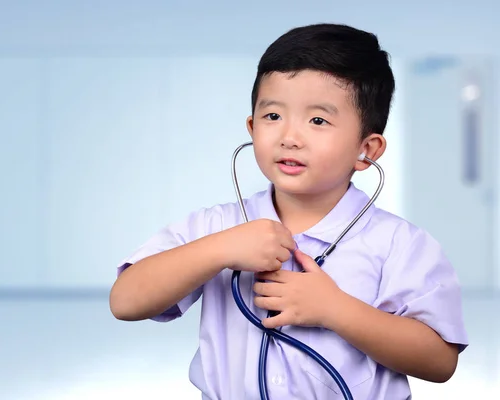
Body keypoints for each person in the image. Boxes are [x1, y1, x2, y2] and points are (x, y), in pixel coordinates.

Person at [109, 23, 469, 399]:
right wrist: (218, 251)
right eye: (273, 116)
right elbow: (125, 301)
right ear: (251, 127)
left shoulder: (399, 244)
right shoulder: (217, 227)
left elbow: (439, 362)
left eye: (318, 120)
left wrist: (334, 309)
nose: (289, 137)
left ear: (368, 149)